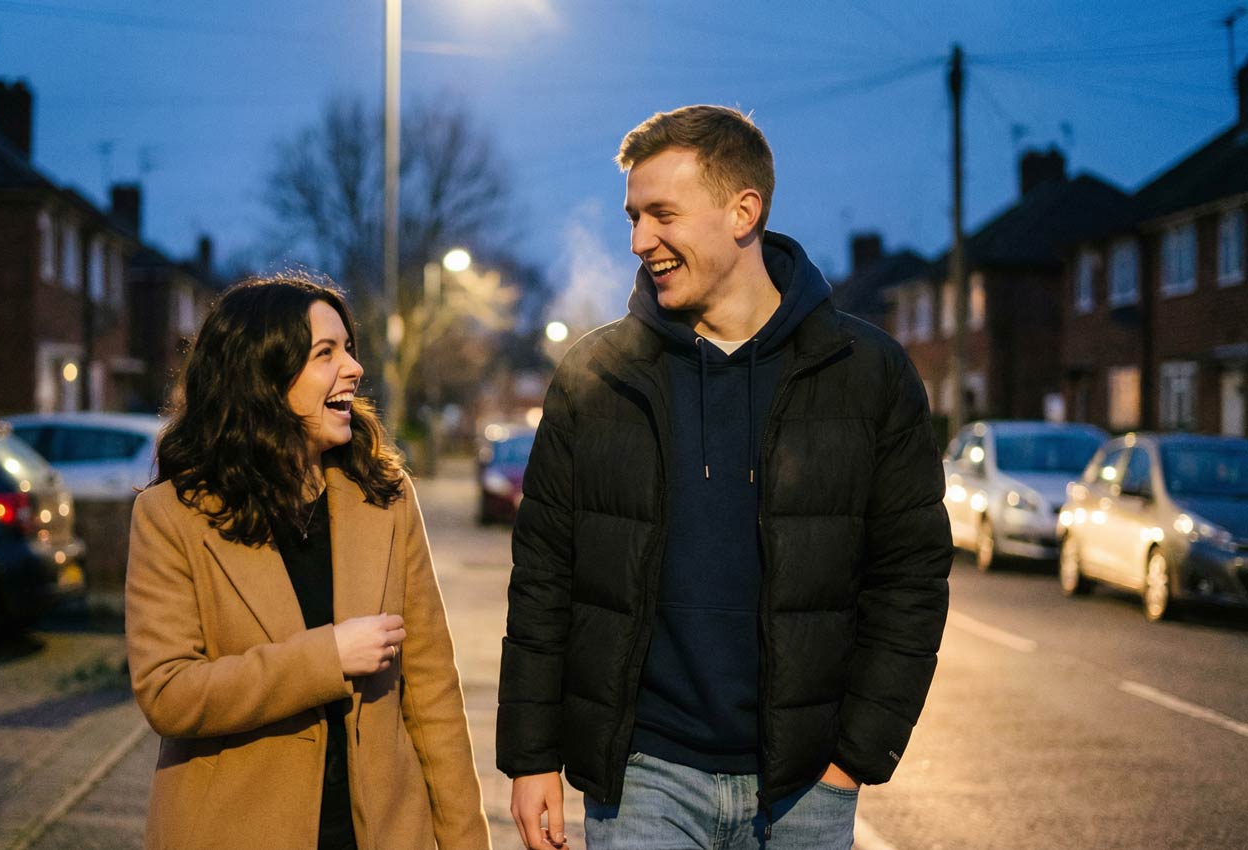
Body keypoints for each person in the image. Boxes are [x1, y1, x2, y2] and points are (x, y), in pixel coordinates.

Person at [497, 105, 953, 850]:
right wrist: (532, 757)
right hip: (643, 776)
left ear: (744, 211)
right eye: (633, 218)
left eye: (662, 214)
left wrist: (853, 758)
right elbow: (545, 575)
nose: (641, 240)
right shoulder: (597, 375)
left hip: (807, 781)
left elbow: (911, 574)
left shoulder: (867, 373)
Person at [126, 275, 491, 850]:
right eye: (326, 353)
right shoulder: (172, 516)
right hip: (233, 828)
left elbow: (432, 695)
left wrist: (466, 840)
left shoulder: (385, 497)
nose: (353, 368)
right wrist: (328, 657)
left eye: (348, 348)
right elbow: (169, 694)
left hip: (385, 831)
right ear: (263, 377)